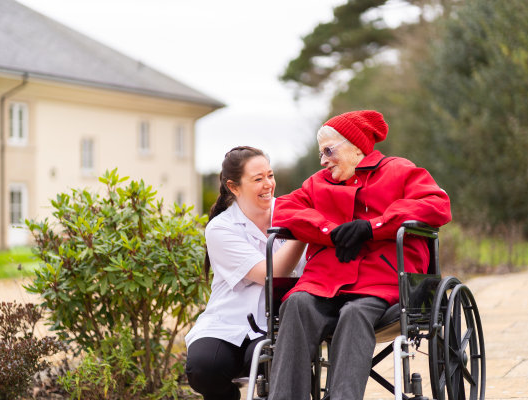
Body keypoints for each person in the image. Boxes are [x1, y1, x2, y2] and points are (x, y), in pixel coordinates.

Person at [268, 110, 452, 400]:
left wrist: (373, 227)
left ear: (356, 147)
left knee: (355, 313)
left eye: (328, 151)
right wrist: (330, 231)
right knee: (296, 304)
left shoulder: (398, 170)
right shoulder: (318, 183)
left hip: (381, 280)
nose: (323, 160)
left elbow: (436, 204)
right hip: (323, 282)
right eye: (321, 154)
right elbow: (284, 210)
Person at [185, 146, 306, 400]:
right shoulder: (221, 228)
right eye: (258, 179)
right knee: (204, 368)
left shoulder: (291, 212)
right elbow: (267, 273)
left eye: (270, 176)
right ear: (234, 187)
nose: (268, 184)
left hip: (277, 324)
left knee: (268, 360)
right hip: (227, 323)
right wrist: (304, 232)